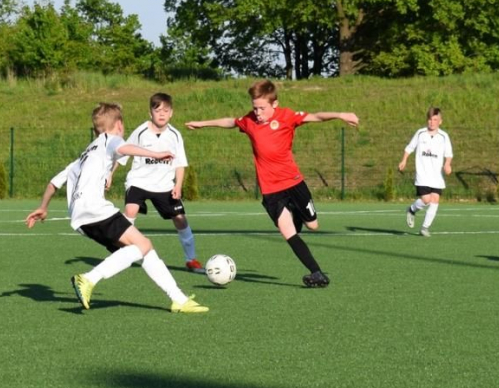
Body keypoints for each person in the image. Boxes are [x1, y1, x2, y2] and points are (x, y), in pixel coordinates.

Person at [25, 103, 208, 313]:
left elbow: (53, 183)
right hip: (96, 209)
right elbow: (124, 148)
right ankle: (88, 278)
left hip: (80, 218)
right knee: (143, 245)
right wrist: (156, 154)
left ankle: (179, 299)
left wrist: (43, 207)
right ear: (119, 124)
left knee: (143, 249)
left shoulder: (85, 154)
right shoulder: (109, 139)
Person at [185, 80, 359, 288]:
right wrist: (203, 124)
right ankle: (316, 273)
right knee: (288, 233)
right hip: (271, 191)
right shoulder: (249, 121)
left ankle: (296, 214)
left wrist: (341, 115)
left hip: (294, 184)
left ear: (274, 104)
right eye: (255, 108)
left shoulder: (287, 116)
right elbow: (230, 121)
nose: (257, 113)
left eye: (262, 108)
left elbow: (316, 116)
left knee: (313, 225)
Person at [113, 92, 205, 273]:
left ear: (171, 113)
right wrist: (109, 174)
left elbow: (180, 164)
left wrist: (178, 185)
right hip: (139, 181)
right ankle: (120, 254)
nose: (162, 114)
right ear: (150, 113)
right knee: (131, 210)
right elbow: (123, 152)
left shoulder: (175, 135)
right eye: (157, 110)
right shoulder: (141, 132)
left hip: (164, 185)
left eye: (166, 110)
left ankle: (191, 259)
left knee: (180, 219)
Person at [398, 107, 453, 237]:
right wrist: (404, 160)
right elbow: (409, 148)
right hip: (422, 174)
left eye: (435, 119)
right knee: (426, 200)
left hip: (437, 176)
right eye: (430, 119)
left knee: (435, 200)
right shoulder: (420, 133)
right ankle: (411, 210)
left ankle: (425, 228)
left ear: (440, 121)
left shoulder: (444, 136)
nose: (432, 122)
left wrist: (447, 164)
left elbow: (449, 154)